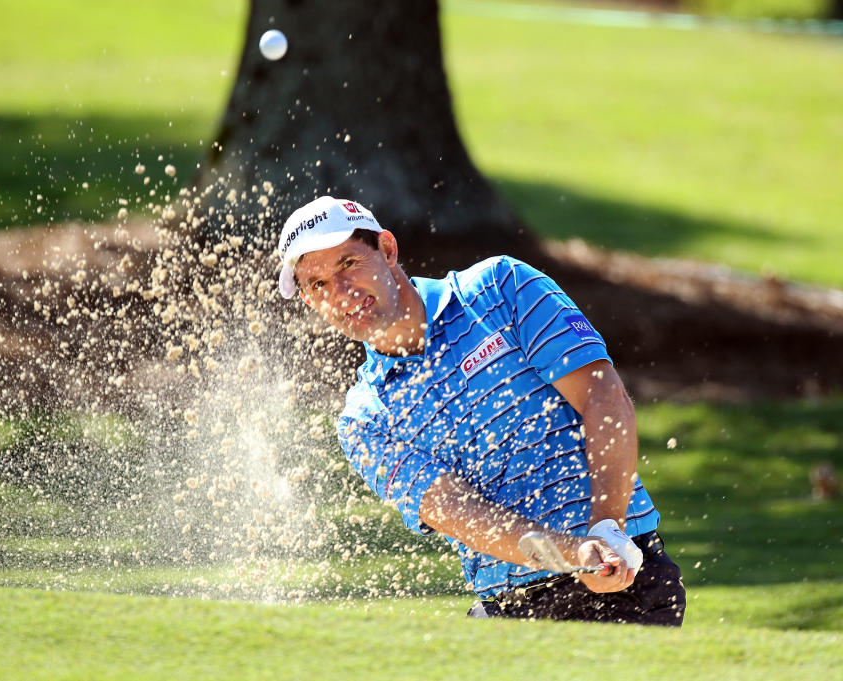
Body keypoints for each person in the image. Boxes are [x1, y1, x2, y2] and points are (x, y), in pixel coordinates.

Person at [277, 196, 686, 625]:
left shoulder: (499, 288)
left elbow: (603, 397)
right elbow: (464, 516)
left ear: (388, 249)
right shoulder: (365, 421)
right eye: (318, 284)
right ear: (307, 300)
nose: (341, 295)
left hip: (624, 584)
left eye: (348, 264)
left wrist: (606, 530)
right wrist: (574, 554)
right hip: (509, 610)